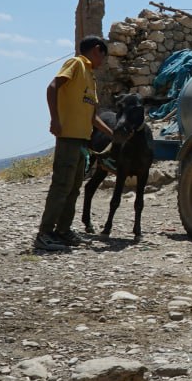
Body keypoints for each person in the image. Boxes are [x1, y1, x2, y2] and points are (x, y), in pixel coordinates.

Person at [33, 36, 113, 252]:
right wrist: (55, 119)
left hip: (82, 141)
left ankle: (64, 231)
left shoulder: (91, 78)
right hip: (68, 137)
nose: (103, 62)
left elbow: (92, 116)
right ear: (97, 50)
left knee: (73, 188)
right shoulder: (76, 64)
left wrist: (112, 135)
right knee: (61, 186)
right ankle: (45, 234)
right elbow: (52, 87)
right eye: (103, 56)